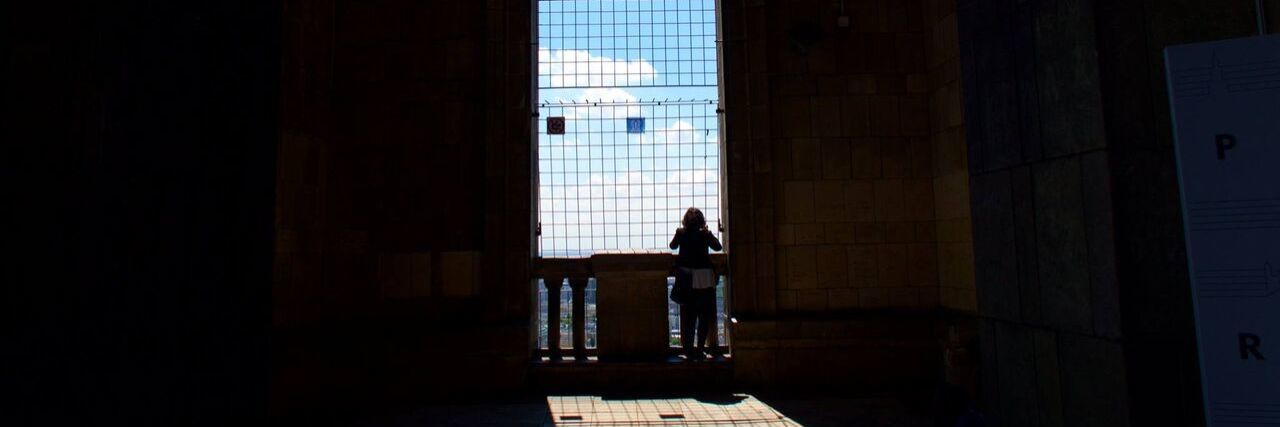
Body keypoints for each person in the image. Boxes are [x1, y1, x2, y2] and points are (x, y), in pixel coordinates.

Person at [669, 207, 723, 361]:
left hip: (686, 280)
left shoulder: (681, 233)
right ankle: (700, 349)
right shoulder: (704, 235)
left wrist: (678, 233)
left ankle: (688, 349)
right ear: (701, 221)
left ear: (685, 221)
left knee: (689, 317)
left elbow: (672, 246)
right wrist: (708, 233)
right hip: (704, 279)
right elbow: (717, 247)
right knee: (703, 316)